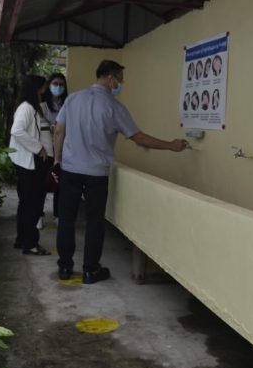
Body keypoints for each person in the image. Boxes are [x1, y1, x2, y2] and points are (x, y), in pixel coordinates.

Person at [53, 60, 188, 284]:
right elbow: (139, 138)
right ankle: (90, 271)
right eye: (120, 80)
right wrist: (171, 145)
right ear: (111, 78)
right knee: (95, 222)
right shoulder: (115, 107)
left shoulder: (73, 99)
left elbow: (59, 130)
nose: (120, 85)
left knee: (66, 219)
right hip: (97, 173)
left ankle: (65, 268)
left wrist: (57, 160)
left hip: (70, 169)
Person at [9, 75, 52, 256]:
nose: (45, 90)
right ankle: (31, 244)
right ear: (37, 88)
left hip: (29, 162)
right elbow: (17, 130)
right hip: (30, 163)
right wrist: (38, 148)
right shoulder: (26, 108)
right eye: (43, 87)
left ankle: (22, 240)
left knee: (26, 203)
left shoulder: (31, 107)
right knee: (33, 205)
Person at [39, 72, 68, 228]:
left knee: (60, 184)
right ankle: (39, 215)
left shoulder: (68, 104)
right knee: (43, 183)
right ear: (49, 85)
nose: (58, 87)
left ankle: (58, 214)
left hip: (63, 149)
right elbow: (40, 126)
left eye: (61, 84)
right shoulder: (42, 106)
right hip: (46, 149)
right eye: (55, 84)